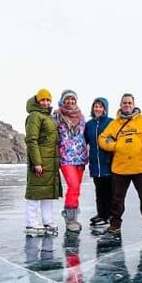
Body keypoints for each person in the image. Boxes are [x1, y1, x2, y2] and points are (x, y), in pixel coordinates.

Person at [98, 93, 142, 238]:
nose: (127, 105)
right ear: (120, 105)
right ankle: (115, 225)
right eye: (124, 103)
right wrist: (114, 146)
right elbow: (102, 138)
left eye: (129, 103)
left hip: (140, 168)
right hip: (120, 168)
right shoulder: (115, 124)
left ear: (134, 104)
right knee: (117, 200)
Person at [24, 88, 62, 236]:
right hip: (40, 161)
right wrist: (37, 162)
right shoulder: (35, 116)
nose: (45, 103)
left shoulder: (48, 117)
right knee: (35, 192)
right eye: (42, 100)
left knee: (47, 193)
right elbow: (31, 140)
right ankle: (31, 223)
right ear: (37, 101)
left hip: (50, 161)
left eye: (48, 100)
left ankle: (48, 221)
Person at [54, 89, 87, 233]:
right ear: (63, 100)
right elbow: (52, 137)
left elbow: (85, 135)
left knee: (76, 188)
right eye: (67, 99)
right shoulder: (56, 116)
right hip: (66, 157)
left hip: (80, 157)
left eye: (73, 99)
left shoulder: (81, 117)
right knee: (73, 186)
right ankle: (70, 219)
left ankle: (71, 213)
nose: (70, 101)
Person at [83, 97, 114, 228]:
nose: (98, 109)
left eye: (101, 107)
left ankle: (111, 216)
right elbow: (84, 141)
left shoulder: (111, 122)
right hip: (95, 163)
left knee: (110, 191)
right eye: (96, 106)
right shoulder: (89, 124)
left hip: (108, 162)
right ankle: (101, 214)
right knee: (99, 191)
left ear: (105, 109)